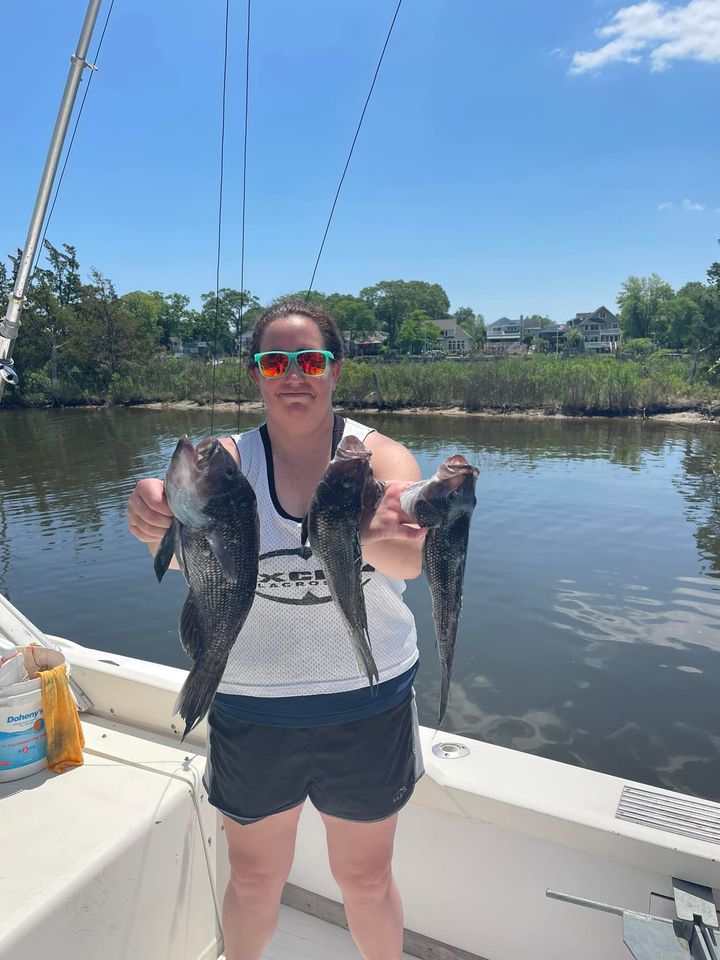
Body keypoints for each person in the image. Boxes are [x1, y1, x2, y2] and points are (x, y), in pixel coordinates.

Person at [127, 299, 426, 960]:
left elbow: (409, 559)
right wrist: (155, 516)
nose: (295, 375)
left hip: (366, 702)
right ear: (256, 373)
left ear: (336, 370)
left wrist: (374, 524)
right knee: (256, 877)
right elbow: (180, 552)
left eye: (311, 360)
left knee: (366, 879)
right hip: (253, 705)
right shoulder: (227, 464)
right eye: (275, 362)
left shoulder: (378, 457)